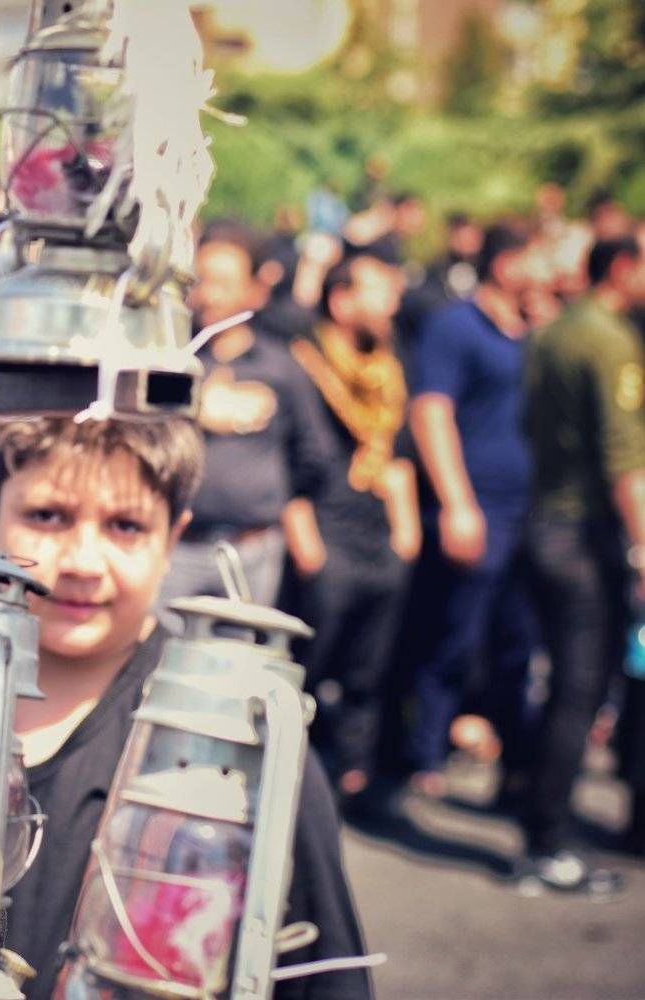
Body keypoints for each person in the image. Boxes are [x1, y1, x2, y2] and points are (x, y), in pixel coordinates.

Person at [0, 418, 371, 1000]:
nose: (83, 562)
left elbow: (328, 980)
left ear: (173, 538)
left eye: (126, 526)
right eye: (48, 516)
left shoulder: (233, 739)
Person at [519, 235, 645, 894]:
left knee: (565, 687)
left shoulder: (555, 330)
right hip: (583, 536)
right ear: (622, 269)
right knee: (579, 690)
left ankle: (542, 824)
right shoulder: (610, 339)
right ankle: (548, 844)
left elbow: (529, 424)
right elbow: (626, 462)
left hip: (544, 521)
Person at [402, 223, 536, 799]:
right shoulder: (456, 325)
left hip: (527, 514)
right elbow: (431, 412)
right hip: (476, 508)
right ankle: (420, 756)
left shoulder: (532, 331)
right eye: (538, 258)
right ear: (506, 264)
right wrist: (458, 503)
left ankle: (513, 763)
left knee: (517, 644)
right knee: (451, 637)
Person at [288, 252, 421, 798]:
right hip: (326, 536)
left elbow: (399, 449)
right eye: (378, 292)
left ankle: (352, 781)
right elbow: (288, 455)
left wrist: (406, 535)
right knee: (309, 667)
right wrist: (308, 546)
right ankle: (290, 778)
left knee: (370, 671)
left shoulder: (389, 369)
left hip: (380, 538)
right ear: (341, 301)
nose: (392, 303)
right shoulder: (306, 362)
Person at [157, 223, 337, 620]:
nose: (210, 295)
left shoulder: (280, 368)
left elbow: (314, 454)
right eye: (201, 281)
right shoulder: (169, 361)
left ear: (256, 289)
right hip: (175, 546)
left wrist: (285, 505)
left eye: (224, 283)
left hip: (252, 550)